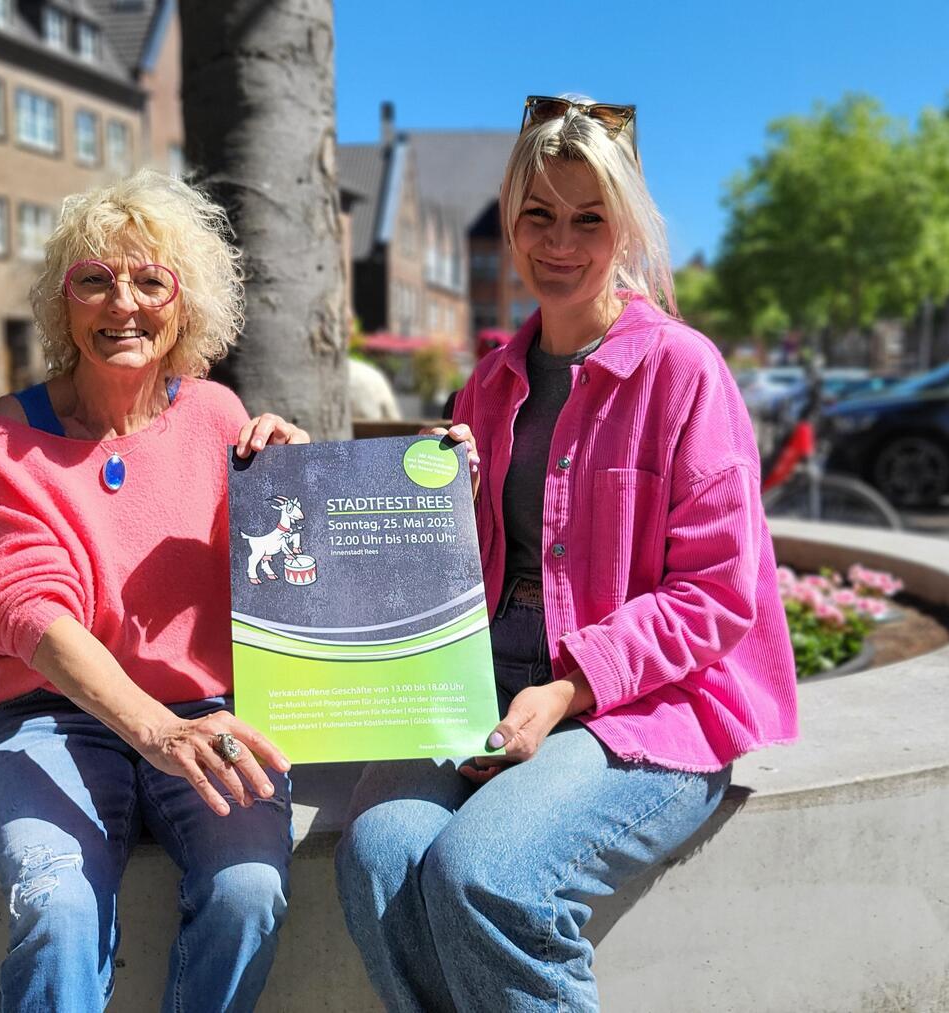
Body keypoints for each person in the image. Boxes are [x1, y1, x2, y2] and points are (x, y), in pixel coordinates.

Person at [334, 95, 799, 1012]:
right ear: (509, 222)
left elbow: (715, 591)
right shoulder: (490, 382)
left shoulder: (682, 370)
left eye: (589, 218)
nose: (560, 242)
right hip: (487, 693)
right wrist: (428, 498)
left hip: (644, 710)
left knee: (485, 872)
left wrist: (566, 689)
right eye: (538, 215)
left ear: (624, 226)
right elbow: (447, 573)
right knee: (378, 853)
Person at [0, 169, 308, 1012]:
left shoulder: (218, 415)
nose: (123, 305)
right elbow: (26, 604)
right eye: (95, 280)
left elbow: (282, 582)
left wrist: (298, 484)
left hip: (209, 711)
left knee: (248, 889)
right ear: (62, 302)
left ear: (185, 306)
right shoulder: (7, 432)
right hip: (49, 718)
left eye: (152, 281)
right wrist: (154, 729)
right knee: (57, 902)